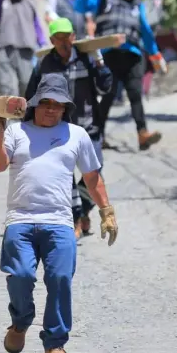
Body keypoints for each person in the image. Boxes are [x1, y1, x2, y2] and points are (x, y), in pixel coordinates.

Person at [0, 72, 119, 353]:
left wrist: (106, 211)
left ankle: (55, 343)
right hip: (20, 220)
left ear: (65, 108)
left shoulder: (77, 135)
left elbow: (92, 178)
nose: (50, 109)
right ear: (34, 104)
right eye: (45, 103)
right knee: (20, 276)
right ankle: (20, 322)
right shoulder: (17, 131)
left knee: (60, 279)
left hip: (59, 222)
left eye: (57, 105)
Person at [25, 18, 112, 239]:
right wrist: (26, 126)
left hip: (87, 127)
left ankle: (83, 210)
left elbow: (106, 87)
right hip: (58, 128)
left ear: (74, 36)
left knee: (94, 172)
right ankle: (73, 220)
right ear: (52, 40)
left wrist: (100, 62)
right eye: (59, 38)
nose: (64, 42)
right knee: (65, 177)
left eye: (68, 37)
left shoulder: (86, 60)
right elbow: (31, 96)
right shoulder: (44, 65)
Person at [74, 0, 166, 151]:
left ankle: (142, 134)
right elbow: (80, 5)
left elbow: (146, 31)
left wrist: (155, 55)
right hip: (110, 55)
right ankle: (98, 137)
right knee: (107, 97)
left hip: (133, 56)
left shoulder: (138, 4)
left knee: (135, 95)